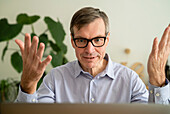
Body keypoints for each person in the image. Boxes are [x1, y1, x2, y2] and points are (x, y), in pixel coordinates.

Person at [15, 7, 169, 104]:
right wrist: (28, 86)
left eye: (97, 40)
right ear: (73, 41)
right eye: (82, 40)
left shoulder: (129, 80)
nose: (90, 49)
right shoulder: (55, 79)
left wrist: (158, 81)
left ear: (107, 40)